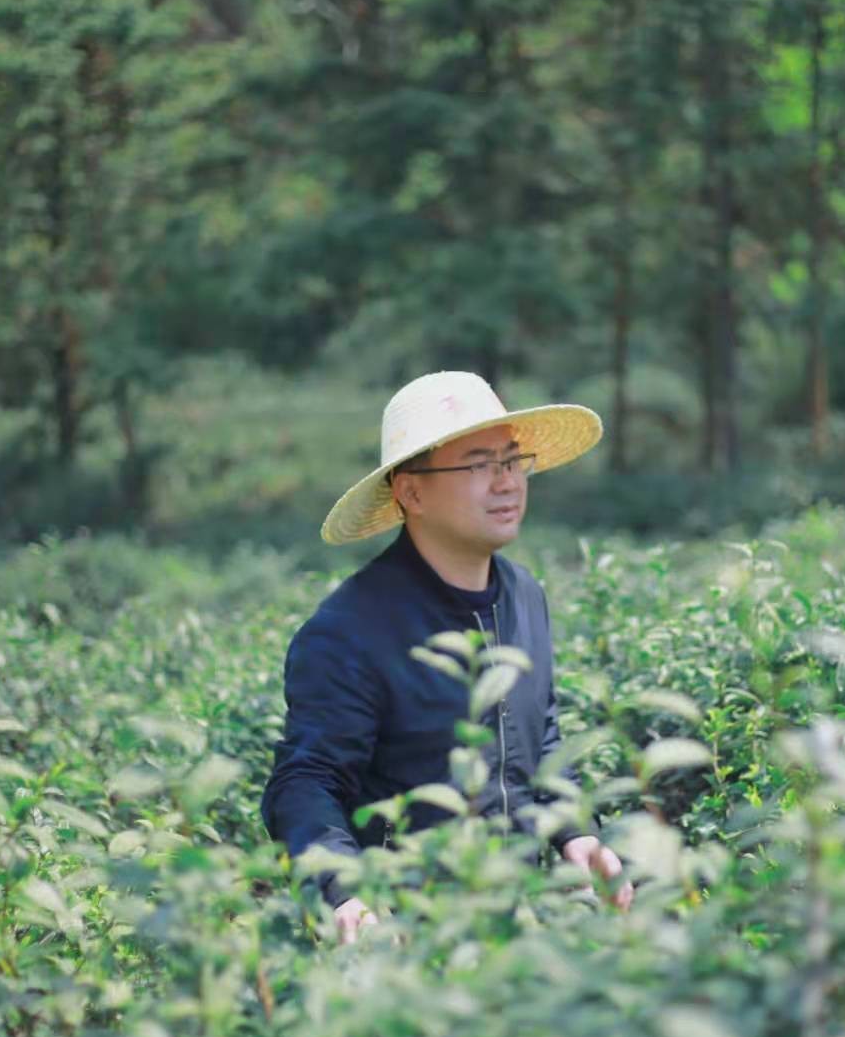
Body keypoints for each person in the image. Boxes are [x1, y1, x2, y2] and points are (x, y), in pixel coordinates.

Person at [260, 370, 635, 945]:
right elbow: (307, 782)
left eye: (512, 461)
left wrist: (575, 833)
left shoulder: (525, 596)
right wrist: (344, 890)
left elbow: (539, 738)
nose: (506, 482)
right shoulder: (348, 630)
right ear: (411, 492)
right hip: (409, 932)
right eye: (479, 465)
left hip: (525, 919)